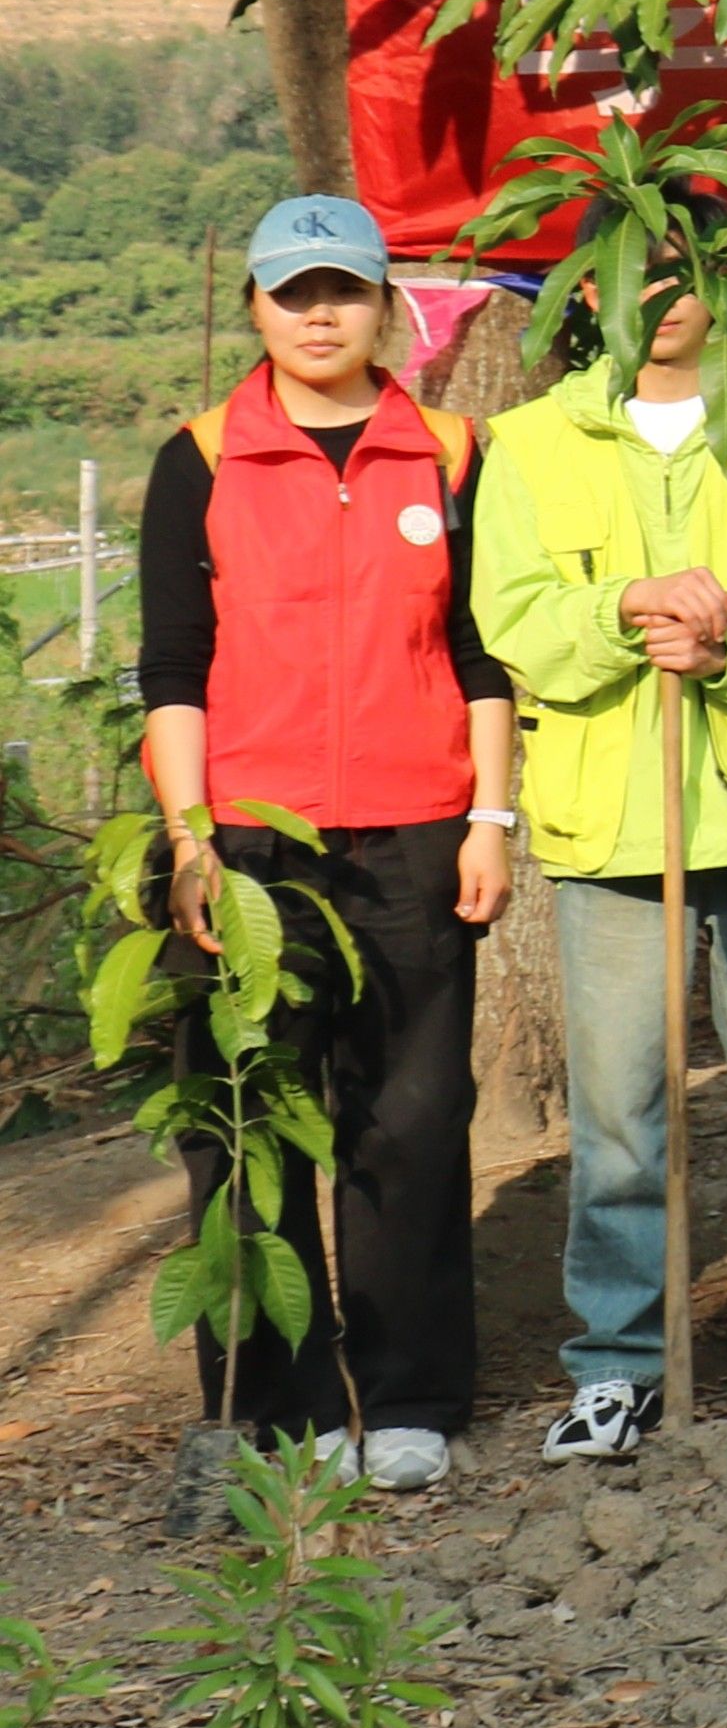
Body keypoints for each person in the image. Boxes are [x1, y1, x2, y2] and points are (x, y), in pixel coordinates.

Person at [134, 197, 516, 1490]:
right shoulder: (199, 457)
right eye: (292, 292)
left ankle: (408, 1394)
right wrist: (191, 839)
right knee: (248, 1123)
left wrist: (490, 816)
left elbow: (481, 652)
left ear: (383, 306)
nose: (317, 314)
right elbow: (174, 666)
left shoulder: (451, 451)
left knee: (412, 1116)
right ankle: (275, 1406)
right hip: (249, 844)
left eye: (342, 289)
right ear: (255, 305)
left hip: (417, 832)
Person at [471, 281, 727, 1462]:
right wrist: (627, 606)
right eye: (624, 263)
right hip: (611, 820)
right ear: (583, 284)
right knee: (618, 1104)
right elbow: (514, 615)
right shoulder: (535, 439)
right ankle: (618, 1359)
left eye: (677, 261)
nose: (653, 291)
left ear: (724, 275)